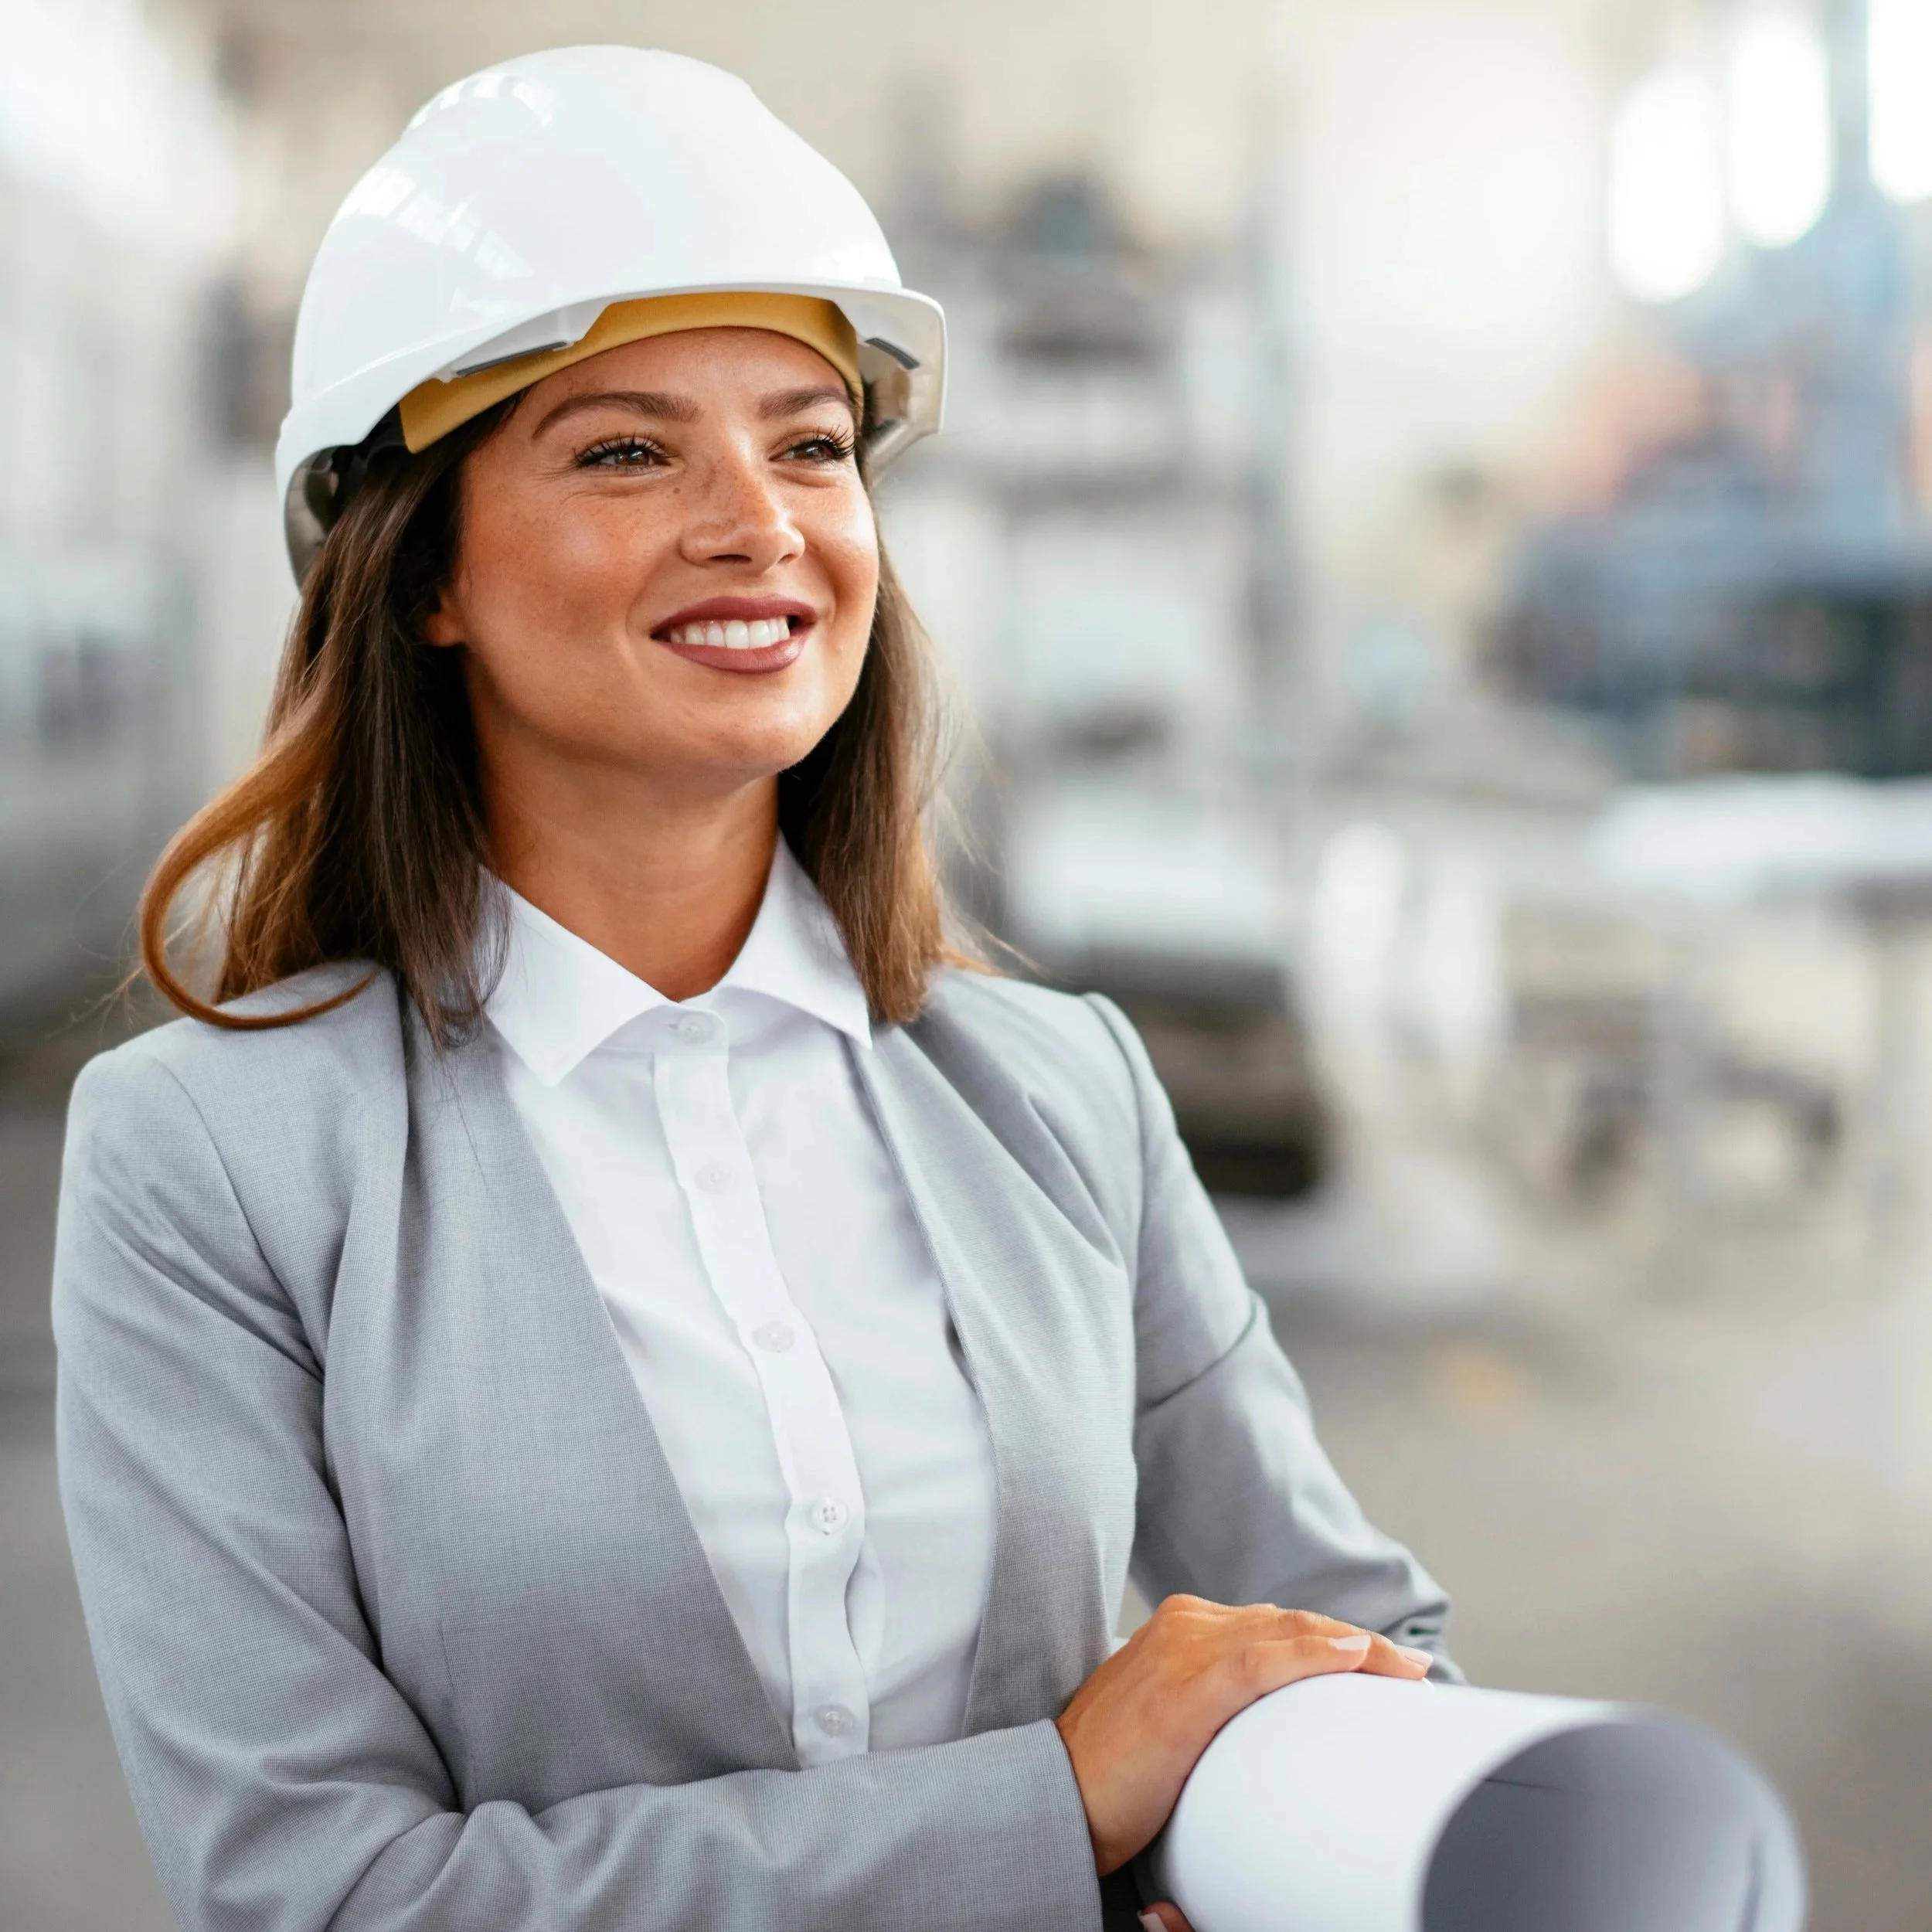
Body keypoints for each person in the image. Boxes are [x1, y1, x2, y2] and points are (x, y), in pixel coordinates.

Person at [53, 47, 1452, 1932]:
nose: (761, 522)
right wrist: (1048, 1809)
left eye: (809, 444)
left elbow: (1362, 1642)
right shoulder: (209, 1162)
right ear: (422, 570)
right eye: (627, 450)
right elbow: (322, 1892)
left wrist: (1310, 1824)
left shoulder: (1063, 1089)